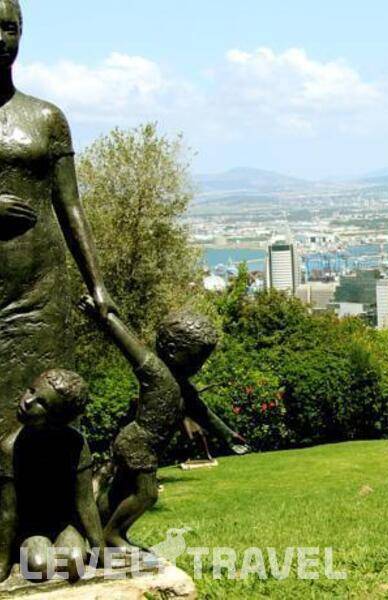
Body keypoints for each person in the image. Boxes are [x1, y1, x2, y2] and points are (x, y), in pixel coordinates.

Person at [0, 0, 114, 445]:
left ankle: (52, 511)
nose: (0, 40)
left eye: (9, 29)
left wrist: (97, 283)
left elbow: (71, 207)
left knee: (46, 408)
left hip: (39, 290)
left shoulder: (47, 118)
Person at [79, 299, 223, 551]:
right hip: (138, 444)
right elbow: (127, 343)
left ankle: (99, 532)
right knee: (147, 494)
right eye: (195, 359)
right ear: (171, 349)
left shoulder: (183, 385)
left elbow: (203, 413)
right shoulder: (154, 370)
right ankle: (113, 534)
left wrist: (229, 435)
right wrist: (101, 315)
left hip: (141, 445)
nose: (198, 367)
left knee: (119, 493)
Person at [0, 370, 105, 582]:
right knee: (38, 567)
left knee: (75, 564)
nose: (27, 400)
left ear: (58, 418)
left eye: (42, 403)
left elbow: (85, 503)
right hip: (29, 528)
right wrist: (2, 562)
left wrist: (100, 550)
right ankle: (34, 552)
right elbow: (7, 513)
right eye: (31, 390)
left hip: (63, 525)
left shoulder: (76, 444)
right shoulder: (10, 449)